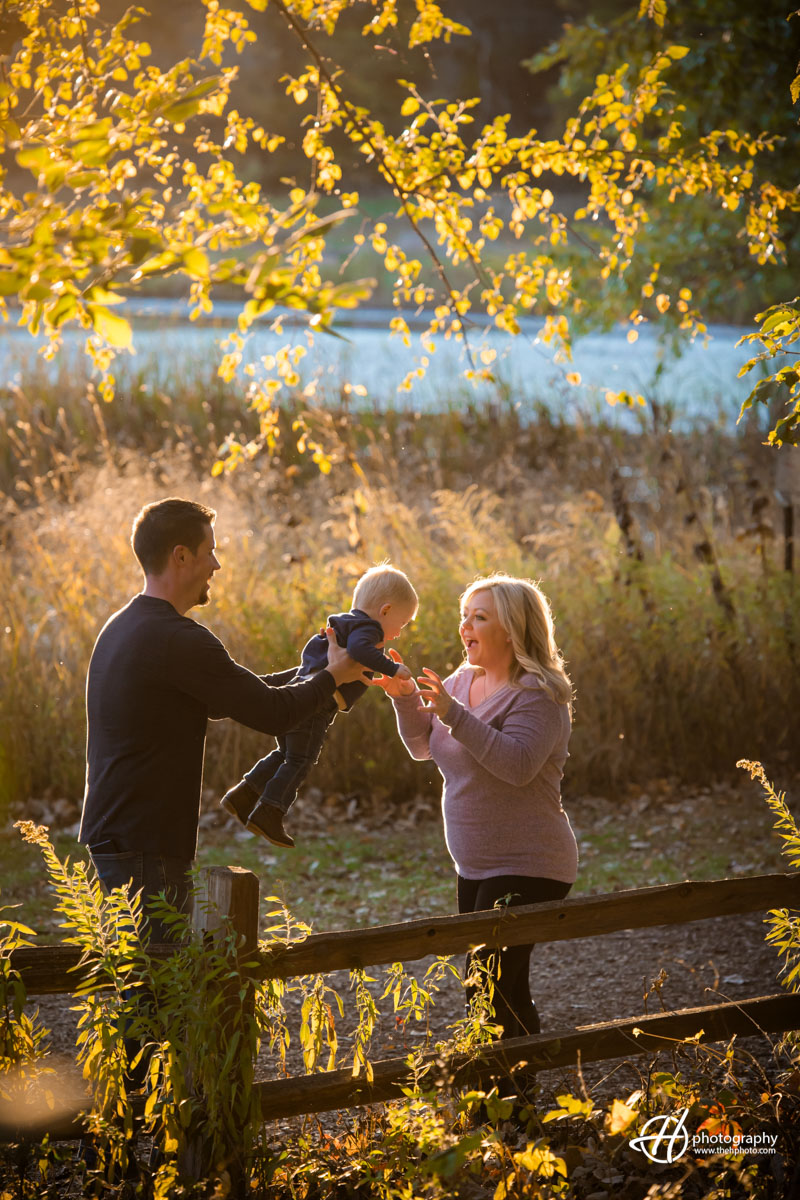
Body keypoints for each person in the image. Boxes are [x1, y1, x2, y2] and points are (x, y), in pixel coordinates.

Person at [78, 496, 368, 940]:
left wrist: (315, 673)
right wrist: (333, 677)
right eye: (210, 550)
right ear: (181, 555)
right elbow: (273, 714)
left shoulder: (123, 627)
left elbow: (231, 696)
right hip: (145, 843)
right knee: (156, 991)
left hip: (116, 834)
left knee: (141, 980)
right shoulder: (180, 640)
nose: (217, 564)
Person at [373, 573, 577, 1039]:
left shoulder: (540, 695)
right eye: (464, 616)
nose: (465, 625)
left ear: (511, 628)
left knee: (491, 985)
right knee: (490, 986)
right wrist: (406, 701)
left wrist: (452, 714)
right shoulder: (461, 682)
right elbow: (424, 747)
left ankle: (506, 1102)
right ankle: (504, 1101)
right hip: (475, 864)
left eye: (479, 617)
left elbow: (518, 765)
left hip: (530, 863)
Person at [220, 564, 418, 848]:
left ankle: (243, 795)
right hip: (316, 707)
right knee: (300, 761)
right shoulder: (368, 630)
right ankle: (270, 811)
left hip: (303, 697)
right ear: (385, 611)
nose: (398, 634)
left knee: (285, 754)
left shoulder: (343, 626)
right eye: (402, 624)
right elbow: (361, 652)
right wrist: (392, 667)